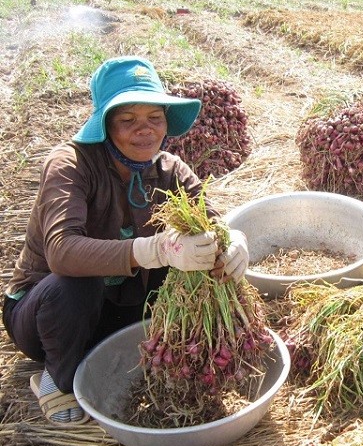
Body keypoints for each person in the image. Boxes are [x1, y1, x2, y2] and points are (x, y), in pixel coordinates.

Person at [2, 56, 250, 425]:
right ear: (105, 125)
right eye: (127, 120)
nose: (145, 130)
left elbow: (211, 224)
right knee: (76, 283)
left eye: (155, 118)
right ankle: (58, 377)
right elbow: (61, 251)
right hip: (48, 316)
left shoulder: (170, 170)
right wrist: (154, 249)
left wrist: (231, 243)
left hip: (123, 307)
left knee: (197, 261)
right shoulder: (71, 164)